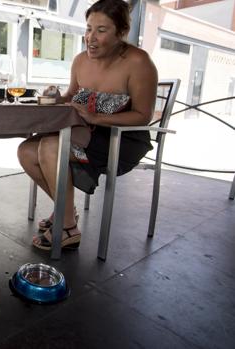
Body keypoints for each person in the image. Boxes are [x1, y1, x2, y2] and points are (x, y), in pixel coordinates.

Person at [17, 0, 158, 251]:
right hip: (81, 131)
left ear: (121, 33)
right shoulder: (81, 60)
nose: (90, 38)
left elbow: (142, 116)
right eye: (88, 28)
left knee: (50, 146)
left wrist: (97, 118)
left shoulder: (139, 62)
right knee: (25, 151)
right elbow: (71, 96)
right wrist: (55, 96)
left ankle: (67, 227)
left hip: (119, 139)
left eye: (101, 30)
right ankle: (66, 211)